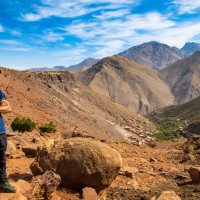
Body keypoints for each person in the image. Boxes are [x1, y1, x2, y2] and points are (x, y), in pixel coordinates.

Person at [0, 74, 16, 193]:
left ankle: (3, 183)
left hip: (0, 131)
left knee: (1, 159)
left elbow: (9, 109)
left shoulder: (0, 92)